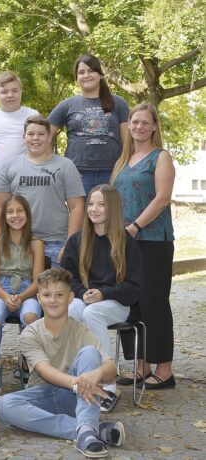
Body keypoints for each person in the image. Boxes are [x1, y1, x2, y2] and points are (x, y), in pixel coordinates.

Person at [0, 268, 125, 459]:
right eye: (47, 295)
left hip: (76, 399)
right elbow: (45, 371)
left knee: (90, 353)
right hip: (43, 397)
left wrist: (95, 375)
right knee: (4, 404)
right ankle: (89, 429)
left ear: (70, 298)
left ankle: (86, 429)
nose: (53, 300)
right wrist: (76, 383)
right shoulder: (30, 333)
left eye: (59, 295)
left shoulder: (81, 331)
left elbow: (111, 368)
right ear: (39, 298)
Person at [111, 103, 175, 390]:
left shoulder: (161, 157)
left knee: (153, 303)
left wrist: (135, 226)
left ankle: (164, 370)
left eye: (145, 122)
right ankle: (140, 366)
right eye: (134, 122)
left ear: (154, 126)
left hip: (153, 241)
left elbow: (162, 199)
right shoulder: (123, 159)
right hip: (124, 242)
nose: (139, 127)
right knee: (129, 303)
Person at [61, 184, 142, 411]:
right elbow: (67, 277)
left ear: (112, 208)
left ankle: (108, 383)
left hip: (118, 303)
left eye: (101, 204)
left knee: (92, 312)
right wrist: (81, 292)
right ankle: (77, 376)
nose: (94, 209)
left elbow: (134, 288)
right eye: (90, 204)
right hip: (86, 299)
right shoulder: (77, 240)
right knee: (72, 309)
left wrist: (104, 293)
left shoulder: (126, 242)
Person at [0, 115, 85, 266]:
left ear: (49, 137)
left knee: (57, 282)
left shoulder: (65, 165)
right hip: (19, 242)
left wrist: (70, 243)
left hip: (56, 242)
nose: (35, 138)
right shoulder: (10, 166)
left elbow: (77, 206)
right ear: (24, 137)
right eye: (31, 134)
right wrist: (1, 241)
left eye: (41, 134)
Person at [0, 194, 44, 394]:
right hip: (0, 291)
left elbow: (38, 281)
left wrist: (21, 296)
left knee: (31, 317)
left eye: (19, 211)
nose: (15, 215)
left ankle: (26, 364)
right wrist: (5, 297)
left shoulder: (36, 243)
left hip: (28, 292)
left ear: (27, 214)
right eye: (10, 212)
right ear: (4, 216)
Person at [49, 54, 129, 195]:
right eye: (81, 72)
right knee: (80, 210)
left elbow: (128, 142)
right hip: (77, 173)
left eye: (91, 71)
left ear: (100, 74)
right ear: (76, 77)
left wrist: (125, 168)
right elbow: (44, 136)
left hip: (113, 172)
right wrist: (52, 165)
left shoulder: (119, 103)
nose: (86, 75)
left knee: (111, 210)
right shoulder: (67, 105)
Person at [0, 71, 39, 238]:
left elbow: (40, 146)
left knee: (27, 227)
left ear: (21, 91)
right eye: (4, 91)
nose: (10, 95)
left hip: (25, 180)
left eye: (14, 90)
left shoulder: (32, 115)